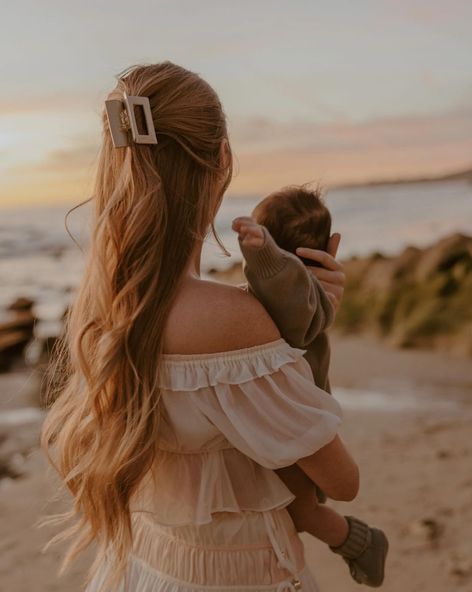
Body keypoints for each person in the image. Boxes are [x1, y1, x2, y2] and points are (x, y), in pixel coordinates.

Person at [41, 61, 359, 592]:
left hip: (146, 564)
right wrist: (308, 321)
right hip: (240, 574)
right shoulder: (238, 324)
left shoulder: (107, 311)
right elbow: (342, 482)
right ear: (223, 160)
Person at [232, 185, 389, 587]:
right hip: (295, 416)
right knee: (293, 512)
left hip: (296, 421)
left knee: (301, 512)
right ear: (330, 245)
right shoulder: (309, 298)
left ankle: (362, 543)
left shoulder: (295, 300)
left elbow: (283, 288)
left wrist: (262, 253)